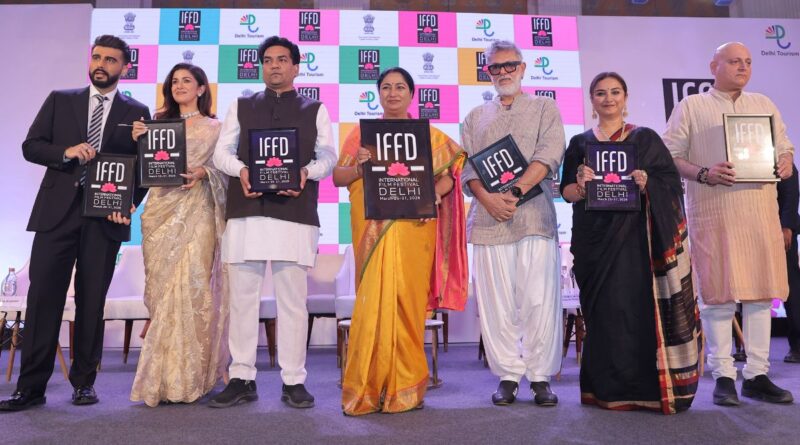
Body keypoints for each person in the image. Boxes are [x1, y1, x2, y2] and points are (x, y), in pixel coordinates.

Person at [0, 35, 150, 412]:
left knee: (91, 301)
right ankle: (30, 388)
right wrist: (65, 152)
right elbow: (31, 146)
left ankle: (84, 384)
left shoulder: (137, 110)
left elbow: (145, 168)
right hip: (56, 215)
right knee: (42, 299)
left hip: (105, 218)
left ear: (125, 67)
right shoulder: (60, 99)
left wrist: (129, 203)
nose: (101, 64)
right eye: (97, 57)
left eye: (111, 60)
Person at [663, 41, 794, 406]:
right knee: (717, 294)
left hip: (760, 212)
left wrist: (785, 161)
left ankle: (757, 375)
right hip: (714, 212)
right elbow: (670, 156)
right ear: (713, 67)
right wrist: (704, 173)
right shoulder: (691, 106)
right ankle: (723, 375)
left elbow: (784, 146)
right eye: (735, 61)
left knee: (760, 294)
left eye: (748, 62)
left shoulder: (763, 104)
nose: (743, 67)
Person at [209, 36, 336, 409]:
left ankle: (294, 380)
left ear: (296, 67)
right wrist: (242, 170)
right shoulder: (241, 105)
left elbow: (328, 156)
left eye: (282, 59)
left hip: (294, 215)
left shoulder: (315, 108)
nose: (274, 66)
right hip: (246, 212)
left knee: (293, 302)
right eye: (267, 60)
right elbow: (221, 153)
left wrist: (305, 173)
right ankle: (241, 377)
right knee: (242, 301)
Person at [560, 72, 700, 414]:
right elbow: (566, 193)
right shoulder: (579, 143)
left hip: (637, 243)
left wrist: (647, 183)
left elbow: (671, 184)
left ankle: (644, 390)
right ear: (591, 100)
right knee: (602, 315)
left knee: (635, 312)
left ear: (625, 97)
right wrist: (581, 184)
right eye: (600, 93)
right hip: (594, 244)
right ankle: (604, 390)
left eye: (615, 92)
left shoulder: (645, 139)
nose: (608, 98)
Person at [334, 67, 468, 415]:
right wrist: (360, 167)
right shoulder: (361, 134)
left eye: (400, 87)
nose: (392, 93)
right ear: (378, 93)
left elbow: (449, 178)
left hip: (414, 230)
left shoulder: (429, 136)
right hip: (373, 231)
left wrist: (433, 195)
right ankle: (368, 387)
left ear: (411, 94)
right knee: (373, 305)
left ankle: (404, 388)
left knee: (408, 305)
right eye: (386, 87)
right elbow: (338, 177)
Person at [460, 40, 564, 407]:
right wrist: (488, 199)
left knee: (538, 299)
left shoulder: (544, 107)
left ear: (522, 68)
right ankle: (507, 374)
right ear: (487, 72)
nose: (503, 72)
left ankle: (539, 377)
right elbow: (467, 167)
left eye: (510, 65)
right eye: (495, 67)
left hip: (534, 216)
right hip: (488, 219)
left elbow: (549, 154)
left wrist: (515, 192)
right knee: (496, 304)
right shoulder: (475, 116)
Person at [128, 63, 228, 407]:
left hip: (198, 211)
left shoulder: (216, 128)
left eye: (187, 81)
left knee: (192, 288)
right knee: (162, 291)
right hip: (160, 212)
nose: (179, 86)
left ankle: (190, 377)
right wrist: (138, 141)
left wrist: (205, 172)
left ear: (201, 88)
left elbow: (227, 171)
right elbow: (141, 169)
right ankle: (160, 378)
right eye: (174, 81)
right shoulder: (154, 125)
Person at [777, 164, 800, 364]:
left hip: (782, 232)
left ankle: (797, 345)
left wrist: (787, 226)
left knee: (791, 288)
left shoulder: (781, 158)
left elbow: (791, 195)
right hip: (751, 231)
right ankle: (743, 346)